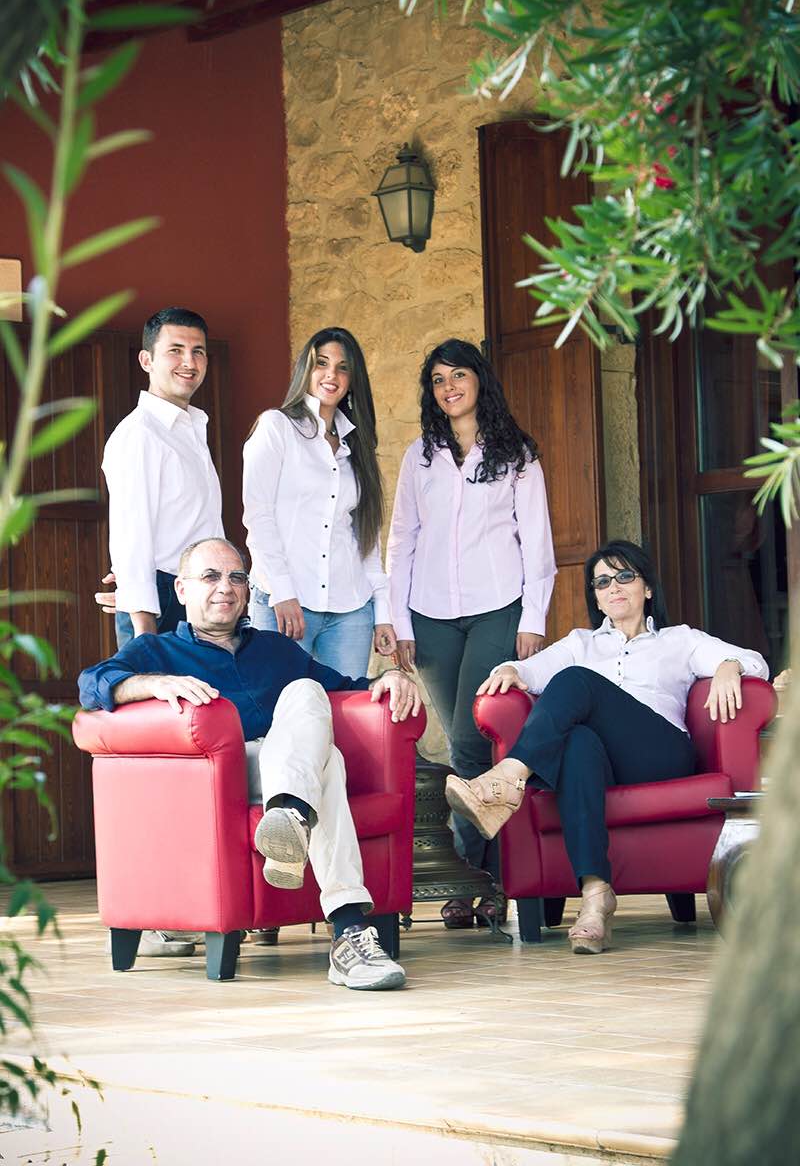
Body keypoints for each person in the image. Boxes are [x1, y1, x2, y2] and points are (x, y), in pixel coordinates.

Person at [78, 537, 422, 991]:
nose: (226, 587)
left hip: (283, 768)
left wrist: (391, 676)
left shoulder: (275, 649)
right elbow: (92, 684)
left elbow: (345, 686)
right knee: (328, 761)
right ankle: (347, 930)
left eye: (236, 577)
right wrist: (152, 684)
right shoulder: (156, 652)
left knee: (312, 707)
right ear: (181, 589)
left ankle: (294, 825)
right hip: (220, 778)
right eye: (210, 577)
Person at [447, 539, 769, 954]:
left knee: (575, 681)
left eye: (624, 576)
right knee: (578, 744)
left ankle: (507, 780)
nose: (613, 587)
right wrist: (507, 668)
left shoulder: (679, 640)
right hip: (603, 764)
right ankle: (596, 896)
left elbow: (756, 661)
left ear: (647, 588)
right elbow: (525, 670)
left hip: (660, 755)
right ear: (596, 598)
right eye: (602, 582)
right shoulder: (580, 643)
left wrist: (729, 666)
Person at [386, 339, 556, 929]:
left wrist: (533, 620)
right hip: (430, 615)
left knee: (470, 738)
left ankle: (484, 877)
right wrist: (400, 621)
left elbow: (537, 542)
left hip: (497, 608)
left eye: (458, 375)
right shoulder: (420, 457)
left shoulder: (515, 455)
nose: (449, 387)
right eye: (438, 380)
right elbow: (402, 540)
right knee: (462, 746)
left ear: (480, 380)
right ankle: (481, 879)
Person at [243, 327, 396, 677]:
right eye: (321, 363)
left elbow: (366, 538)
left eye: (343, 368)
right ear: (305, 370)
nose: (331, 375)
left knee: (344, 708)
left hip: (350, 611)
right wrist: (283, 591)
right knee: (281, 706)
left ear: (353, 380)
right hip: (285, 603)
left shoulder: (357, 445)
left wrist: (382, 613)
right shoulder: (276, 427)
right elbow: (258, 516)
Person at [101, 307, 223, 648]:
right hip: (161, 601)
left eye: (198, 351)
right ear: (147, 360)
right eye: (175, 350)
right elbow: (131, 536)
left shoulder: (191, 428)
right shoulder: (139, 434)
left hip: (201, 596)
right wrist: (143, 631)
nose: (189, 362)